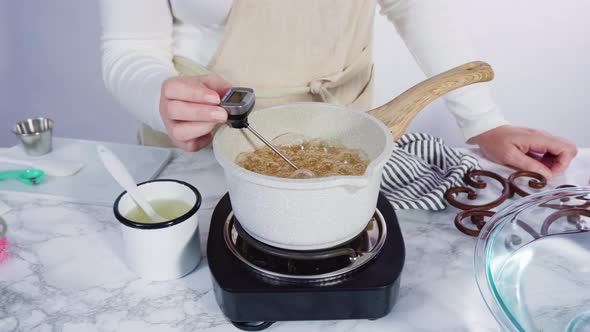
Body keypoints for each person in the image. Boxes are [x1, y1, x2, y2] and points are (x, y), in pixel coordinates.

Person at [99, 0, 577, 179]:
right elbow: (128, 46)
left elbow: (414, 4)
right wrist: (161, 96)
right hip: (202, 145)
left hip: (344, 130)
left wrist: (484, 122)